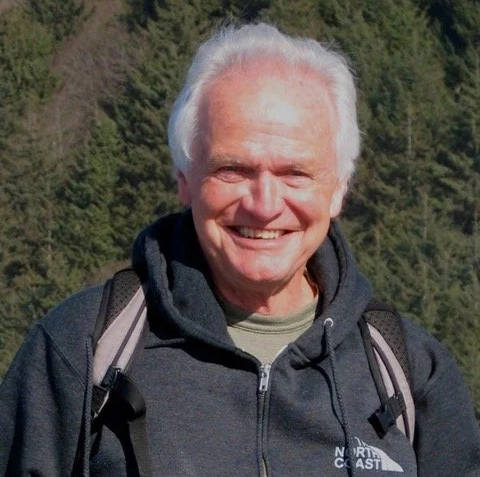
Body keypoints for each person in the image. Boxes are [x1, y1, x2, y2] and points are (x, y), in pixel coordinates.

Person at [1, 23, 479, 477]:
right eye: (233, 170)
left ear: (339, 189)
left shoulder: (410, 371)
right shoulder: (83, 350)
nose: (264, 205)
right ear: (184, 179)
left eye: (295, 173)